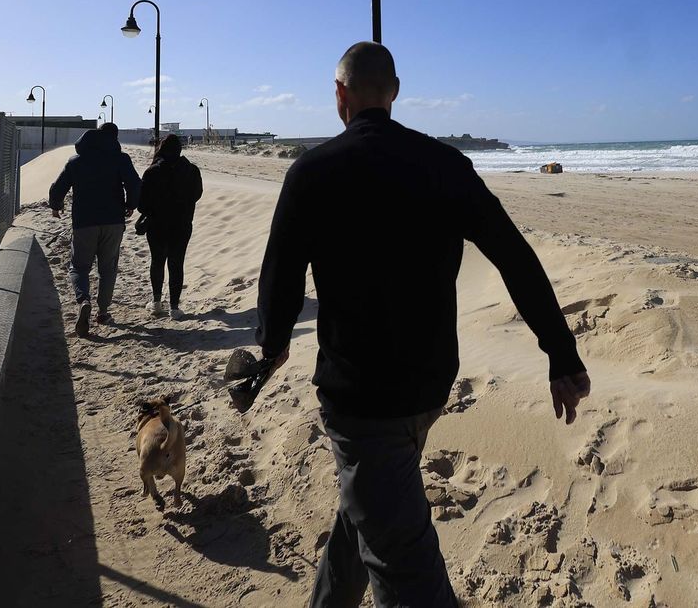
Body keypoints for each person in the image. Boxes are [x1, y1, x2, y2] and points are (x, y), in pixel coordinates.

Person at [255, 42, 591, 608]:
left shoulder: (311, 172)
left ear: (339, 94)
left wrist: (272, 345)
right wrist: (561, 353)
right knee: (365, 514)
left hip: (360, 399)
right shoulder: (445, 166)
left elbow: (280, 277)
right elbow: (515, 257)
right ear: (395, 92)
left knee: (404, 573)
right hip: (428, 388)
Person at [49, 122, 141, 337]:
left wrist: (55, 206)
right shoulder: (121, 159)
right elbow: (135, 184)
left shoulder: (76, 161)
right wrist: (131, 205)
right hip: (113, 221)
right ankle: (103, 312)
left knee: (79, 267)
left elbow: (57, 187)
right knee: (108, 268)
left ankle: (84, 300)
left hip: (84, 222)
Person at [138, 133, 203, 317]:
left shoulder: (152, 172)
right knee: (177, 263)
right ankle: (174, 307)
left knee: (157, 262)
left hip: (157, 225)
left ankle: (157, 302)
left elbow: (142, 204)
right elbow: (197, 194)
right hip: (182, 224)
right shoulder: (192, 170)